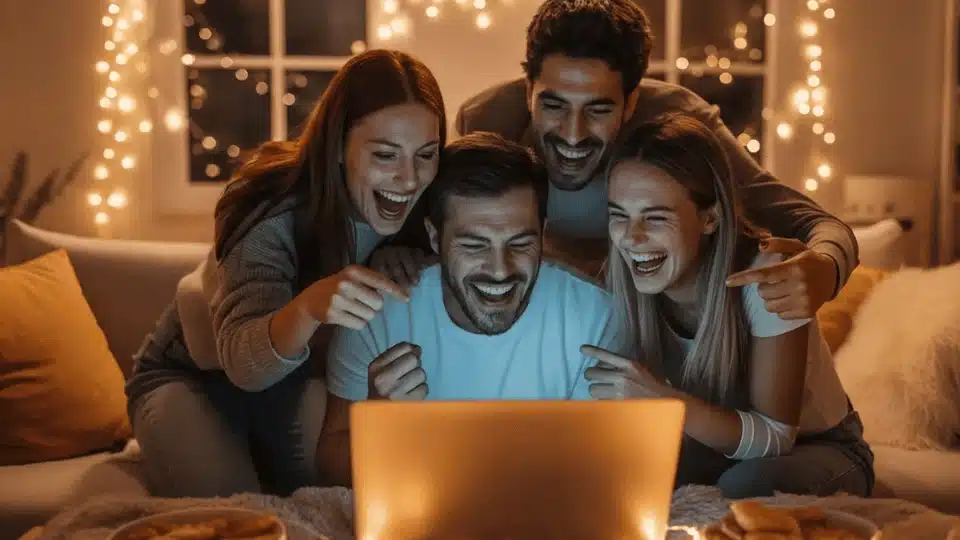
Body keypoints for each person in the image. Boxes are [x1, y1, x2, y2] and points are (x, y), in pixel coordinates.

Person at [125, 49, 447, 497]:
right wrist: (311, 306)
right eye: (385, 155)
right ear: (338, 147)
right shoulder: (271, 204)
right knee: (240, 517)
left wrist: (407, 259)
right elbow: (244, 366)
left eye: (426, 155)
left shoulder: (429, 210)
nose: (409, 179)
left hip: (294, 389)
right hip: (195, 377)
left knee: (342, 492)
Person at [444, 0, 858, 322]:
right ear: (528, 90)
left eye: (599, 109)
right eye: (553, 105)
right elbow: (444, 236)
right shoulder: (485, 123)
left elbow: (814, 223)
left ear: (632, 102)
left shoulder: (680, 125)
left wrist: (826, 268)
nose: (573, 133)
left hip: (659, 332)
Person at [583, 113, 873, 498]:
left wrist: (665, 403)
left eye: (655, 217)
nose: (631, 238)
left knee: (744, 485)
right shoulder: (619, 281)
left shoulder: (764, 278)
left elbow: (774, 438)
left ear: (710, 218)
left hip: (819, 448)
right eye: (619, 216)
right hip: (716, 452)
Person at [316, 132, 626, 487]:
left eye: (520, 243)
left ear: (543, 233)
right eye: (475, 245)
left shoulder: (596, 317)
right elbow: (329, 466)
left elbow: (605, 468)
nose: (500, 270)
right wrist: (381, 423)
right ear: (435, 237)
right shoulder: (376, 314)